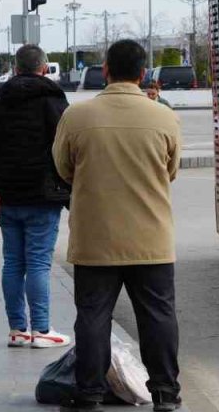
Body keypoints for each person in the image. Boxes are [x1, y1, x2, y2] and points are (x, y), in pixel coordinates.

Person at [52, 40, 183, 412]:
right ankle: (165, 394)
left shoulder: (77, 117)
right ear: (143, 74)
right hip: (151, 238)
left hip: (96, 237)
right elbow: (170, 170)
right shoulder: (163, 117)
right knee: (158, 316)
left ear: (105, 70)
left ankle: (89, 393)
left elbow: (63, 167)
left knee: (93, 316)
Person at [0, 44, 72, 349]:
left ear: (16, 69)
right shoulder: (54, 102)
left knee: (13, 262)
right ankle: (42, 329)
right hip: (42, 195)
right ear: (44, 68)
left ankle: (17, 329)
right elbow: (65, 148)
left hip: (6, 194)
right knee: (39, 263)